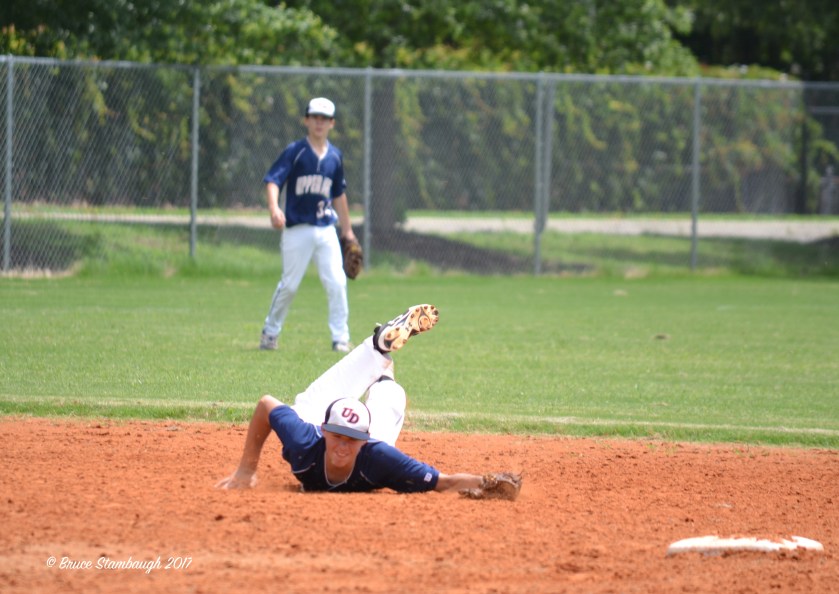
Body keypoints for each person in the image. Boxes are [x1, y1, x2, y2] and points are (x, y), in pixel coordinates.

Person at [218, 304, 506, 495]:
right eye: (338, 436)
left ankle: (380, 360)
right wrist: (246, 470)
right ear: (324, 430)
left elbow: (445, 481)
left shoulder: (378, 456)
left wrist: (491, 484)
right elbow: (266, 404)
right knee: (308, 406)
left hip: (372, 432)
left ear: (363, 442)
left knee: (387, 398)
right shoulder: (305, 440)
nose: (343, 446)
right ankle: (379, 352)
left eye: (351, 439)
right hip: (325, 419)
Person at [259, 97, 357, 353]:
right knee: (289, 284)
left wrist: (347, 230)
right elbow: (273, 181)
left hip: (326, 228)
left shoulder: (335, 156)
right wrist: (273, 208)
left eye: (324, 118)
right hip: (297, 228)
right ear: (306, 120)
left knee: (337, 281)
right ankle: (270, 332)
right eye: (315, 117)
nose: (319, 122)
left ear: (332, 123)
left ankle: (340, 338)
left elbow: (339, 194)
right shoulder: (295, 151)